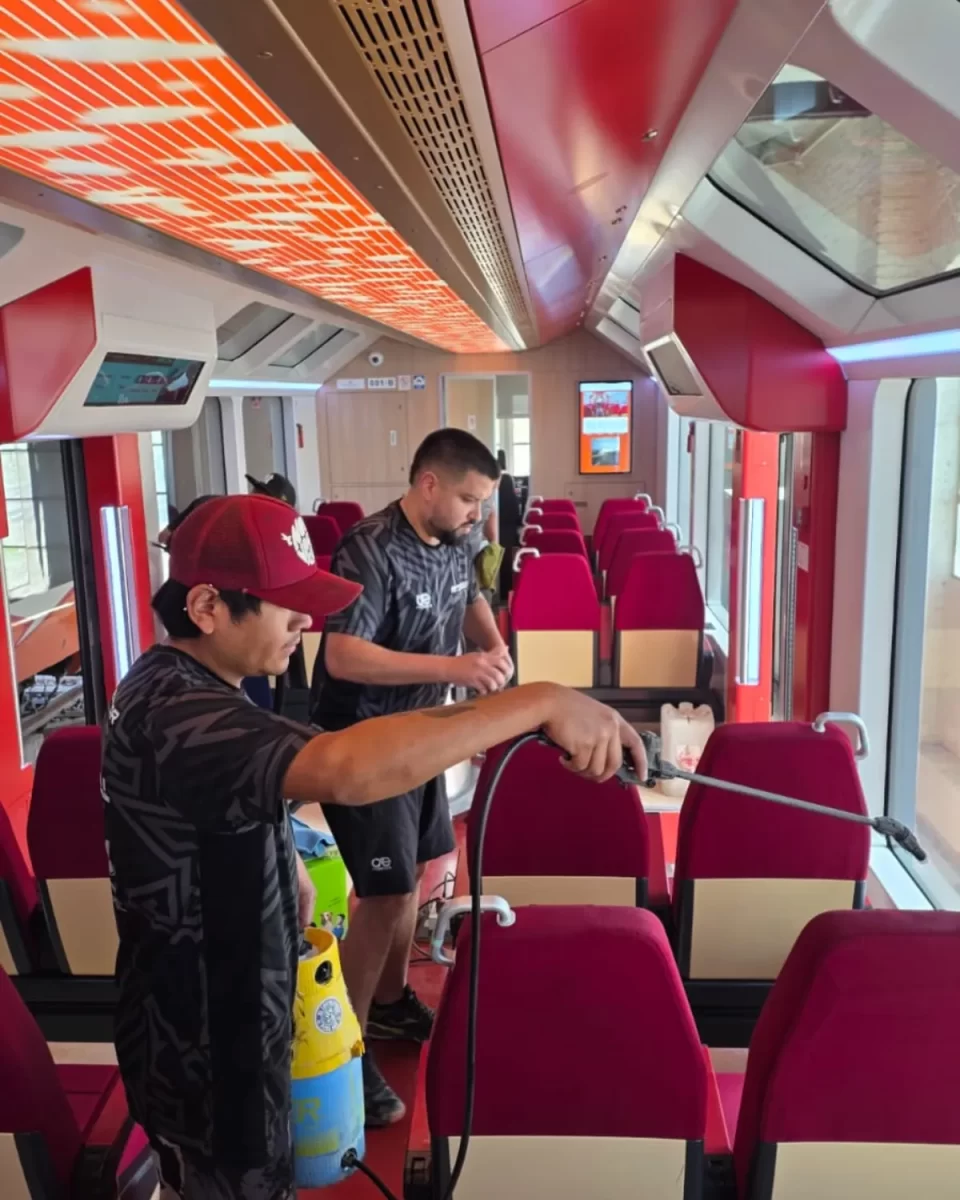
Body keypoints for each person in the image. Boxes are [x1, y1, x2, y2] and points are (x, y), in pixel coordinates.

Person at [102, 490, 645, 1199]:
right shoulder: (181, 712)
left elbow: (215, 796)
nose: (307, 620)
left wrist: (284, 853)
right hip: (208, 1046)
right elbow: (350, 769)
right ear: (207, 607)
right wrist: (538, 702)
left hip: (217, 1015)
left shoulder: (181, 683)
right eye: (283, 603)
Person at [310, 429, 517, 1122]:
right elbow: (343, 656)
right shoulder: (368, 547)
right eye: (466, 498)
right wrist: (455, 670)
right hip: (366, 742)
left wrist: (490, 645)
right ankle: (348, 1045)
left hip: (422, 734)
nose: (474, 516)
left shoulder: (458, 539)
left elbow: (466, 598)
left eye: (481, 503)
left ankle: (393, 1003)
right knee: (389, 892)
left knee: (425, 863)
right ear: (428, 483)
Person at [495, 449, 522, 604]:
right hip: (509, 532)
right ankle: (506, 595)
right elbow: (516, 514)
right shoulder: (507, 481)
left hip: (498, 532)